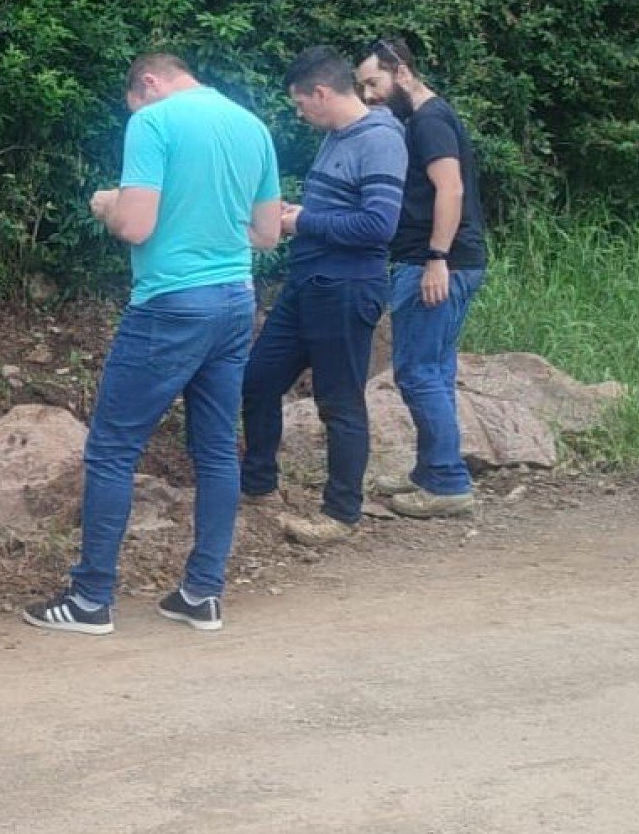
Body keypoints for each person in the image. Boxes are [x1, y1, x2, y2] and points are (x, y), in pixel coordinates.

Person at [23, 53, 282, 636]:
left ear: (149, 84)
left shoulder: (153, 121)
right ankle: (202, 593)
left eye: (133, 101)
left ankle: (91, 600)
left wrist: (108, 204)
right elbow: (266, 236)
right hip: (235, 299)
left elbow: (136, 226)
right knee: (216, 451)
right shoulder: (251, 124)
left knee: (112, 448)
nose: (133, 112)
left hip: (171, 304)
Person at [239, 46, 407, 545]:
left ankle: (340, 514)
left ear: (321, 92)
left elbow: (380, 224)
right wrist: (300, 211)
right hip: (307, 283)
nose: (299, 114)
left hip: (347, 287)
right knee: (258, 380)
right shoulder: (336, 136)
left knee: (339, 402)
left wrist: (303, 221)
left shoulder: (379, 141)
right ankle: (258, 487)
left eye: (299, 104)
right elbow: (338, 207)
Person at [357, 38, 489, 519]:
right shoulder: (429, 117)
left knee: (416, 372)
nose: (369, 95)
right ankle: (434, 471)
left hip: (437, 263)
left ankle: (448, 483)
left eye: (373, 82)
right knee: (436, 370)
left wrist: (436, 258)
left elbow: (449, 189)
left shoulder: (430, 120)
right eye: (362, 87)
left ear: (402, 72)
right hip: (455, 260)